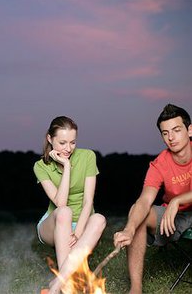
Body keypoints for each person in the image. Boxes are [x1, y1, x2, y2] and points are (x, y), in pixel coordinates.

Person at [113, 104, 192, 294]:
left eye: (176, 130)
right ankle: (136, 289)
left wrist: (176, 200)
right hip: (176, 218)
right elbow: (144, 200)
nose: (171, 138)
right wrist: (129, 229)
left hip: (178, 207)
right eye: (165, 133)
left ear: (189, 130)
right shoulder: (159, 164)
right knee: (138, 214)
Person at [34, 116, 106, 293]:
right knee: (65, 211)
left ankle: (57, 286)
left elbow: (89, 200)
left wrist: (79, 232)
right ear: (50, 139)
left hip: (82, 221)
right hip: (56, 223)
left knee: (99, 218)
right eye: (62, 143)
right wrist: (66, 166)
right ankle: (66, 284)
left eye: (72, 143)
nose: (68, 148)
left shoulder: (88, 156)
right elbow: (60, 203)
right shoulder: (40, 166)